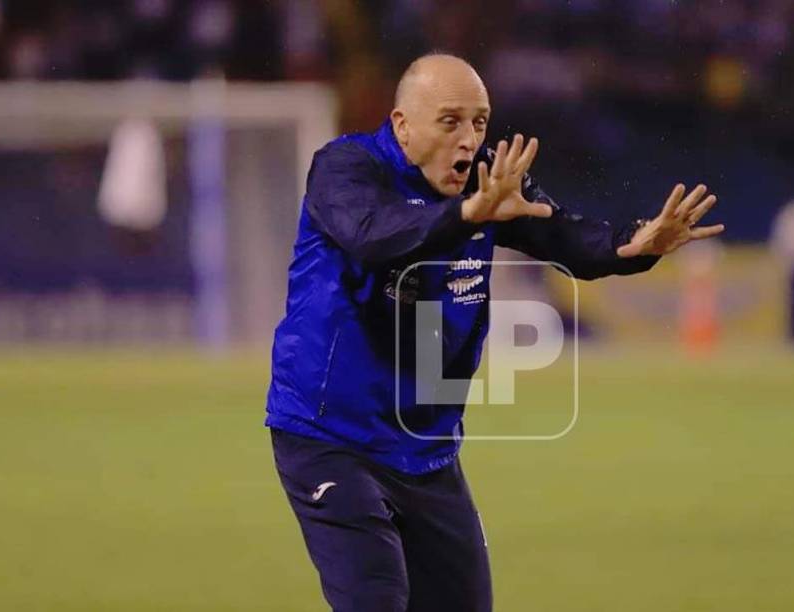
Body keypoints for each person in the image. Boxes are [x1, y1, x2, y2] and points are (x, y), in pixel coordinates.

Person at [265, 53, 723, 612]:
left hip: (426, 447)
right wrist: (468, 215)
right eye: (451, 121)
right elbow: (375, 236)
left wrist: (633, 244)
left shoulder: (488, 182)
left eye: (480, 122)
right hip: (329, 435)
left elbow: (565, 236)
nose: (470, 139)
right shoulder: (346, 168)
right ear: (402, 125)